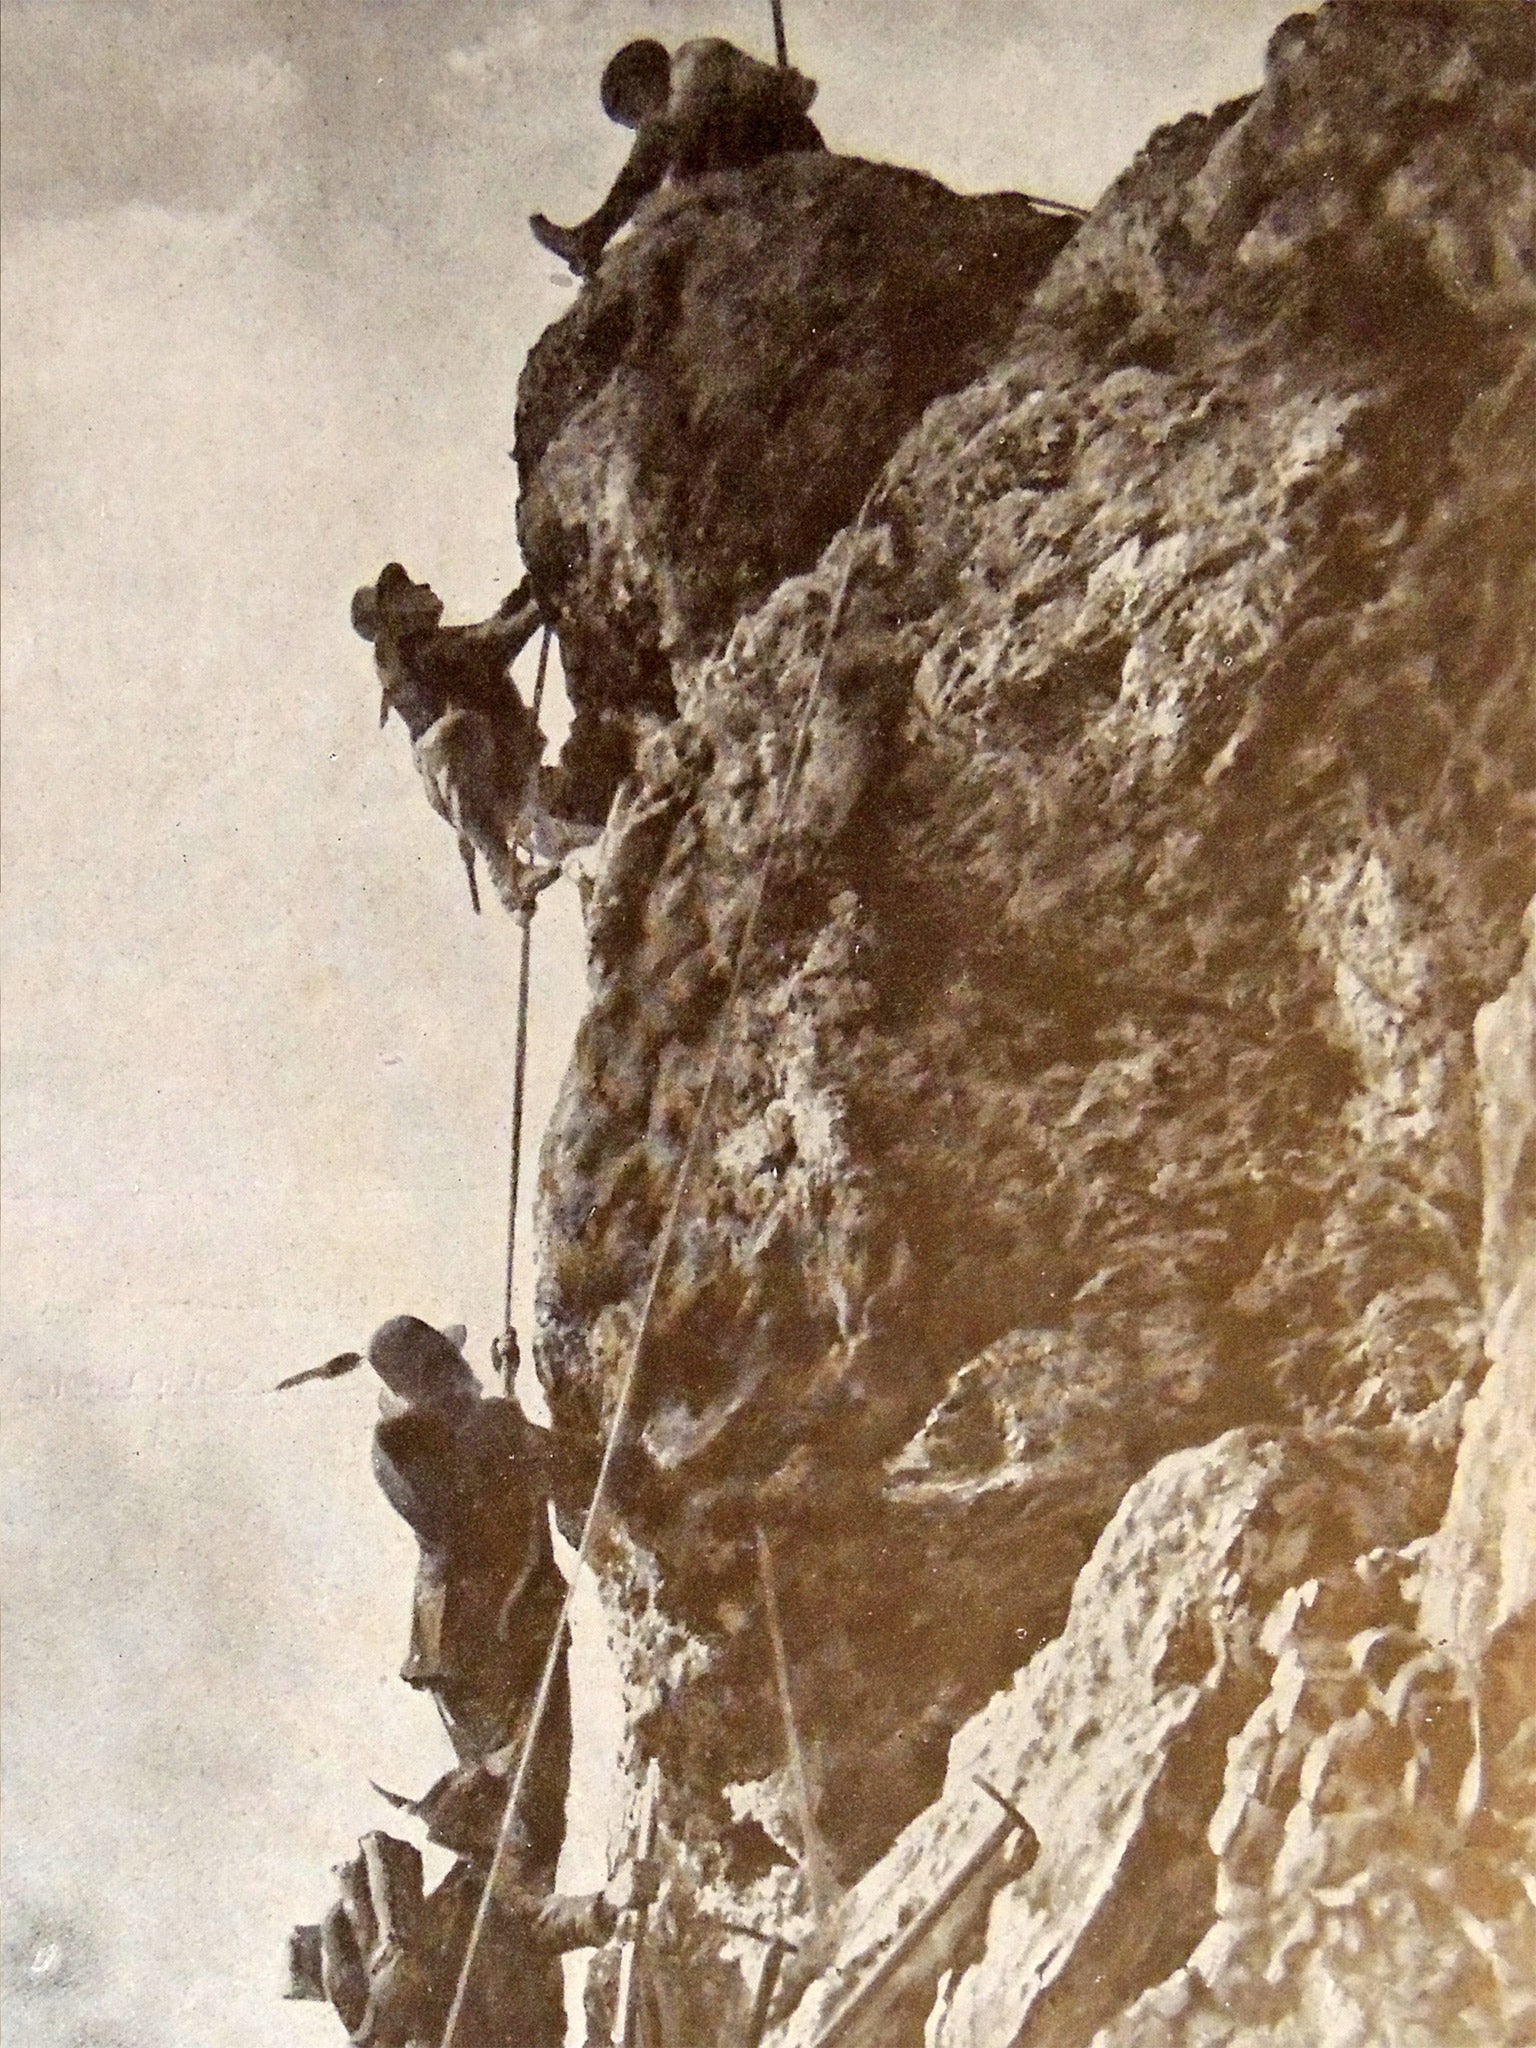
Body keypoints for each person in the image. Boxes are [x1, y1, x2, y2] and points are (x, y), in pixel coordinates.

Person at [351, 564, 573, 916]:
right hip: (485, 790)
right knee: (454, 733)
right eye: (404, 591)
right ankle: (507, 876)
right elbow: (489, 646)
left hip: (513, 782)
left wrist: (531, 588)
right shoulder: (419, 655)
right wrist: (542, 599)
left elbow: (489, 632)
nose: (421, 584)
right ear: (393, 619)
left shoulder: (433, 646)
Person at [531, 37, 825, 277]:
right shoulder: (687, 110)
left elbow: (667, 142)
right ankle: (591, 238)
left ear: (637, 85)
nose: (640, 124)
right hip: (765, 154)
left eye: (634, 115)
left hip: (779, 144)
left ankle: (590, 236)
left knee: (665, 148)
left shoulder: (693, 60)